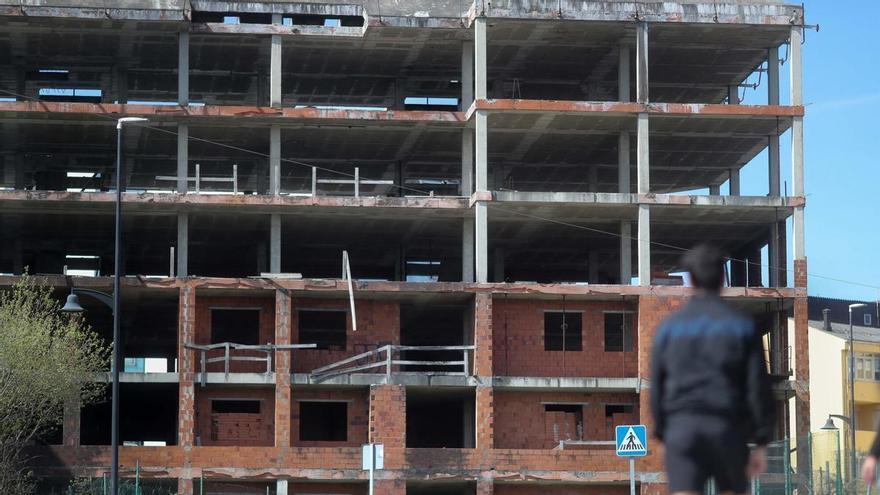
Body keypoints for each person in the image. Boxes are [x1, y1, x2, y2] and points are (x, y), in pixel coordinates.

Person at [650, 244, 776, 494]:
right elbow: (757, 386)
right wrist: (761, 441)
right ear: (723, 278)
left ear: (690, 280)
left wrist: (663, 433)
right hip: (727, 429)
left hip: (682, 429)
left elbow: (657, 386)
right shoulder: (742, 326)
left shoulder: (668, 328)